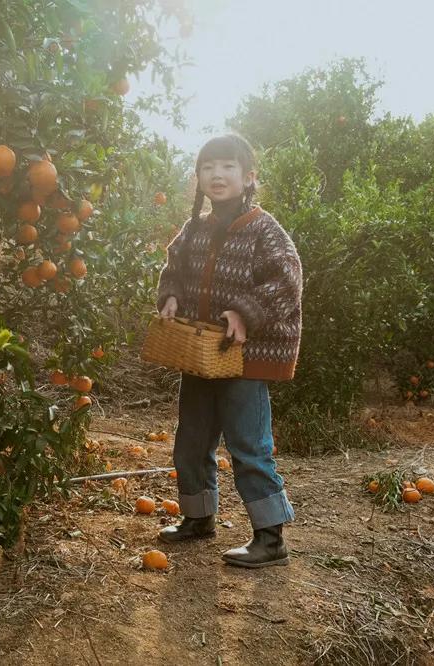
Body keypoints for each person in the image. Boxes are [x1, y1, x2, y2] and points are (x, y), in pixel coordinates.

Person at [154, 134, 303, 568]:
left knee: (247, 443)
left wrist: (244, 312)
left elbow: (286, 281)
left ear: (248, 177)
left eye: (227, 167)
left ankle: (270, 537)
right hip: (200, 352)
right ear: (198, 178)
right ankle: (198, 518)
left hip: (245, 356)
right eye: (207, 168)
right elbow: (174, 268)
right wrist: (171, 296)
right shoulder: (194, 228)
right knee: (193, 438)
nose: (216, 175)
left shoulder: (264, 229)